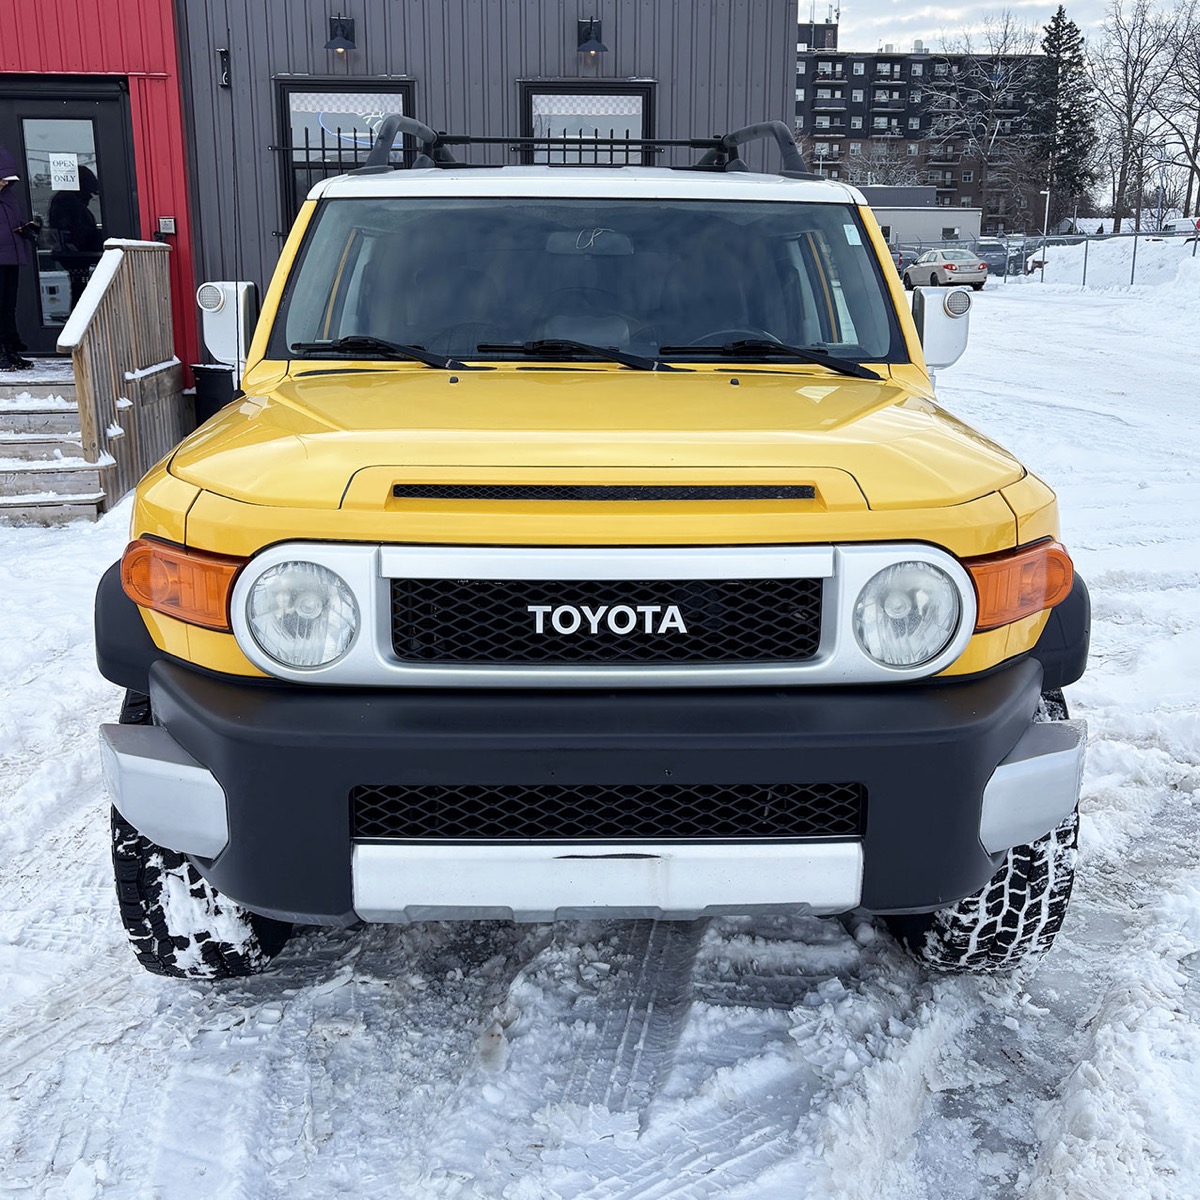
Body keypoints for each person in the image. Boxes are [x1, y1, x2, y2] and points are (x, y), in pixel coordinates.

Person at [0, 144, 38, 371]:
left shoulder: (9, 197)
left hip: (11, 257)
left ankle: (10, 350)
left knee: (7, 306)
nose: (4, 182)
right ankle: (2, 353)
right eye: (2, 178)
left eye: (7, 178)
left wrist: (24, 229)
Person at [49, 165, 103, 306]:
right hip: (77, 255)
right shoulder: (68, 201)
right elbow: (77, 231)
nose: (90, 197)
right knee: (81, 292)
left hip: (75, 255)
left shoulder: (65, 200)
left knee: (79, 290)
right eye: (89, 192)